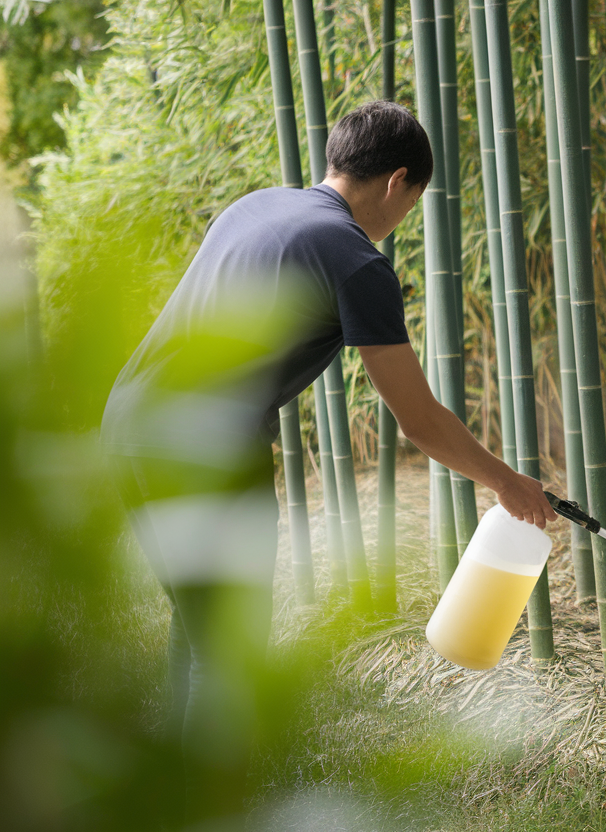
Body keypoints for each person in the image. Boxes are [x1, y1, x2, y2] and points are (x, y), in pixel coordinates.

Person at [100, 100, 555, 826]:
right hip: (202, 450)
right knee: (230, 652)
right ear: (398, 181)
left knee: (200, 632)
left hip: (130, 428)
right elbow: (419, 420)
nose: (403, 217)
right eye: (413, 202)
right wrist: (508, 483)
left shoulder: (258, 206)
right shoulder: (354, 258)